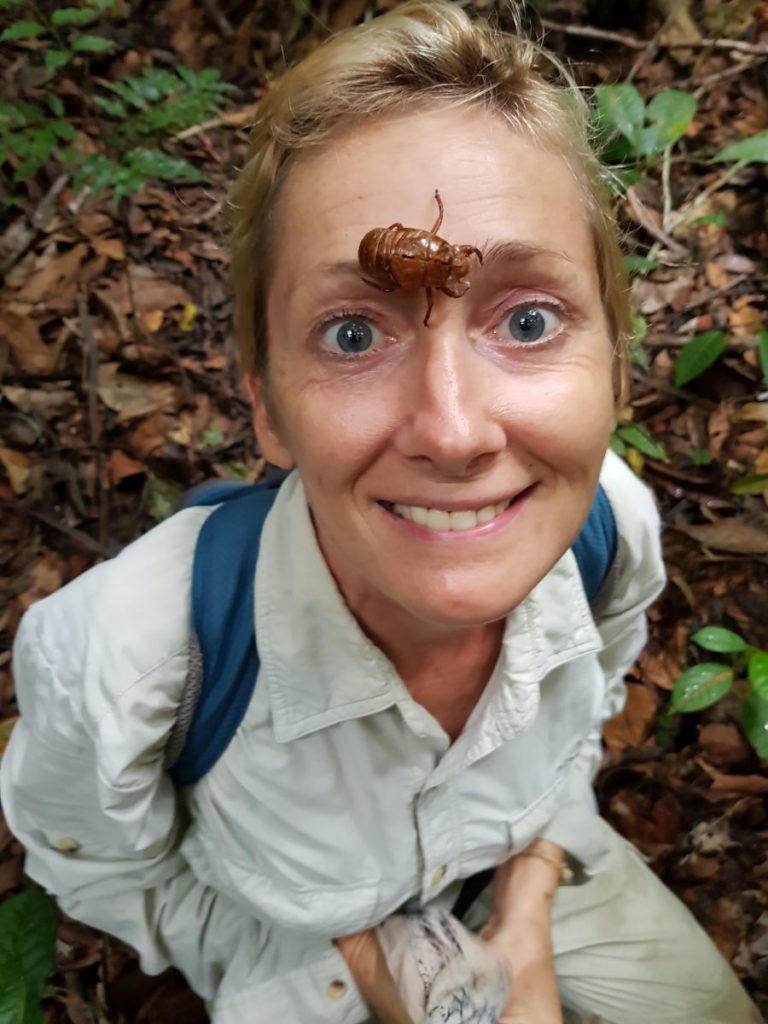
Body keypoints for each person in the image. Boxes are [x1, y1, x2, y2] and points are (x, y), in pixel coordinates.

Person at [0, 3, 761, 1022]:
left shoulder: (609, 530)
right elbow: (95, 864)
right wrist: (359, 965)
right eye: (352, 334)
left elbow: (585, 711)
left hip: (531, 856)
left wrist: (530, 902)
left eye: (529, 320)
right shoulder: (124, 657)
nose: (453, 431)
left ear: (618, 369)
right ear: (265, 402)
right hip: (288, 940)